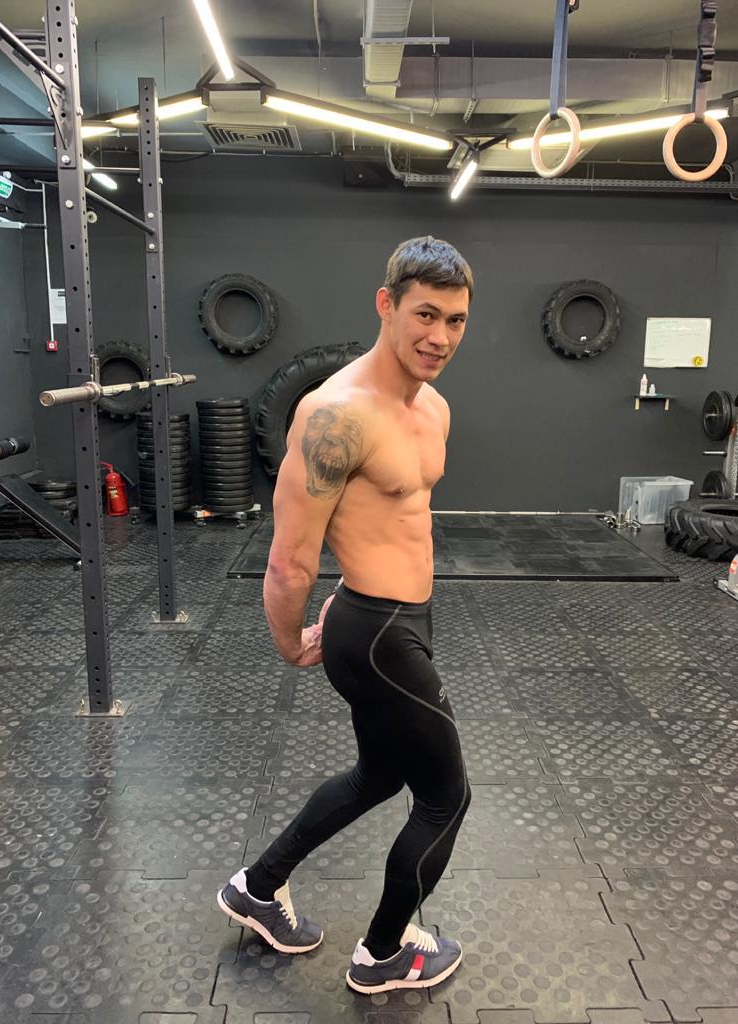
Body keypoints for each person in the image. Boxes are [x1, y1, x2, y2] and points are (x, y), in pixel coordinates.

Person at [217, 235, 473, 994]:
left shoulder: (432, 408)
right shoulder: (334, 415)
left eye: (456, 320)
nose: (440, 336)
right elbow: (289, 559)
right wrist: (288, 640)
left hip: (402, 622)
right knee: (445, 797)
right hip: (376, 637)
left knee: (378, 777)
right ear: (386, 304)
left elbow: (397, 520)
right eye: (425, 314)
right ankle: (384, 954)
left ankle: (257, 888)